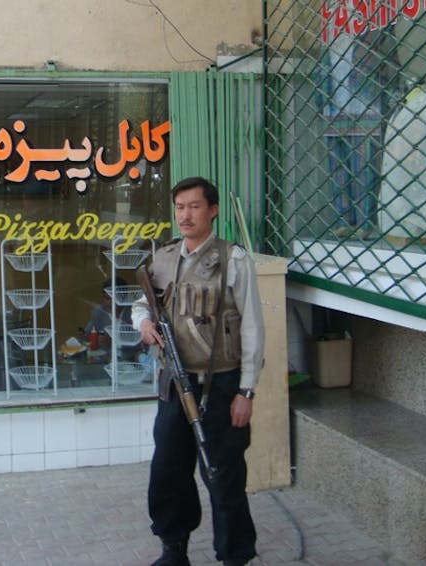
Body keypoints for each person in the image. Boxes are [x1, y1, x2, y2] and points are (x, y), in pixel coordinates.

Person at [131, 177, 264, 566]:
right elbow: (141, 305)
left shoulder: (234, 260)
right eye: (179, 207)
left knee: (222, 476)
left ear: (213, 210)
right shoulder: (165, 257)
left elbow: (254, 328)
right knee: (168, 472)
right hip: (174, 383)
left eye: (193, 207)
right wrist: (144, 325)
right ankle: (174, 550)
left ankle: (235, 556)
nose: (185, 215)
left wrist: (247, 391)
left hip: (221, 385)